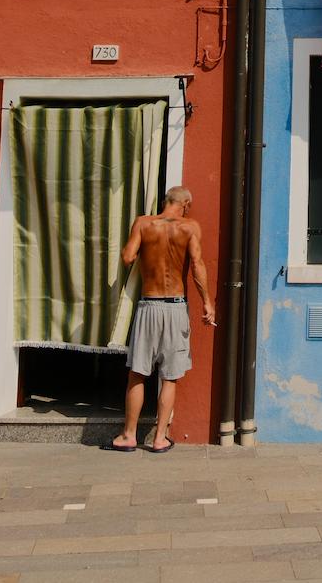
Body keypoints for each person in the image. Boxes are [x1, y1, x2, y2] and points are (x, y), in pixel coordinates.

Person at [110, 185, 213, 453]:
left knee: (138, 374)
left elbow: (127, 257)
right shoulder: (190, 227)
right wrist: (207, 303)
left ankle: (129, 436)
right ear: (186, 204)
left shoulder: (144, 223)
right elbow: (197, 266)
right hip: (175, 306)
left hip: (149, 305)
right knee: (170, 377)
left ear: (166, 201)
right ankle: (159, 438)